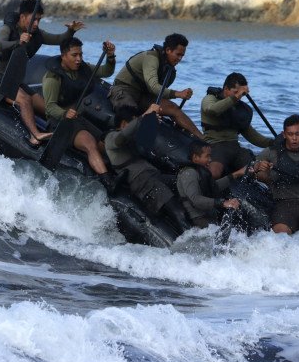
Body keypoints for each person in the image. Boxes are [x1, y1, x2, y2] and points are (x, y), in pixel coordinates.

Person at [0, 0, 85, 146]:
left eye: (39, 20)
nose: (36, 24)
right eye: (33, 20)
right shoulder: (7, 29)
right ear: (23, 17)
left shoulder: (37, 35)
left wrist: (70, 31)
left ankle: (62, 134)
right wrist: (18, 42)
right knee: (25, 99)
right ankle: (35, 135)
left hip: (15, 80)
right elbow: (0, 44)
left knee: (44, 105)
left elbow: (60, 39)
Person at [42, 37, 119, 192]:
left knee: (105, 142)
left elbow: (106, 71)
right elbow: (49, 108)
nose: (79, 59)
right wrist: (64, 113)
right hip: (61, 122)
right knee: (90, 143)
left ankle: (118, 170)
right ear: (63, 56)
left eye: (81, 55)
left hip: (79, 119)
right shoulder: (52, 78)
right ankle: (107, 182)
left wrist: (110, 56)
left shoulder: (82, 68)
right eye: (74, 55)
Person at [104, 105, 191, 235]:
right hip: (143, 181)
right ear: (123, 123)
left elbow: (147, 146)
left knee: (187, 182)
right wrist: (144, 117)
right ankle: (190, 243)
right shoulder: (111, 137)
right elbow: (121, 137)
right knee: (178, 211)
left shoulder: (134, 139)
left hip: (156, 176)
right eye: (133, 122)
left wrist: (151, 122)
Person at [108, 33, 202, 138]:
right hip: (124, 90)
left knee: (173, 108)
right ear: (168, 50)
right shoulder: (151, 58)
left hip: (143, 95)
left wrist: (180, 94)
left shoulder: (170, 72)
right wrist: (178, 94)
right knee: (130, 116)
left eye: (182, 56)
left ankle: (202, 138)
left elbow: (159, 92)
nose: (180, 59)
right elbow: (153, 86)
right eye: (178, 54)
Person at [201, 72, 274, 179]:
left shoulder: (239, 109)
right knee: (214, 174)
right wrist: (236, 96)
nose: (239, 97)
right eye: (236, 92)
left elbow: (252, 135)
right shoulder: (210, 99)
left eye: (242, 94)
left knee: (262, 175)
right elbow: (211, 110)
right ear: (226, 88)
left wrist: (273, 142)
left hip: (235, 149)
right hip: (216, 146)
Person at [176, 140, 247, 229]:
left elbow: (214, 186)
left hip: (208, 215)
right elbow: (195, 200)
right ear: (195, 157)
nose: (210, 160)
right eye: (207, 156)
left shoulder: (199, 172)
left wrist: (237, 174)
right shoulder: (189, 173)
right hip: (198, 219)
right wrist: (223, 203)